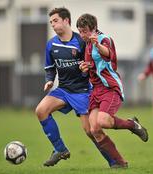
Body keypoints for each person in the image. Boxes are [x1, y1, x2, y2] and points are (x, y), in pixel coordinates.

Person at [35, 7, 116, 167]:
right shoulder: (51, 44)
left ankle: (114, 161)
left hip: (83, 91)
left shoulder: (80, 41)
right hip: (63, 90)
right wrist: (50, 80)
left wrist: (86, 70)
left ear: (66, 21)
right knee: (41, 111)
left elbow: (92, 64)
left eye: (56, 20)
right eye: (51, 22)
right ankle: (60, 150)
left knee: (91, 131)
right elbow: (50, 67)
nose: (53, 24)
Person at [76, 13, 149, 168]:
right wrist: (85, 66)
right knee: (94, 129)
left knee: (103, 121)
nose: (82, 35)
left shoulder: (103, 39)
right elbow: (94, 66)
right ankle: (120, 163)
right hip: (96, 90)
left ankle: (132, 125)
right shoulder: (88, 44)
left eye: (85, 31)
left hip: (110, 88)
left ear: (94, 28)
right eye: (80, 31)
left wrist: (98, 45)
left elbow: (108, 55)